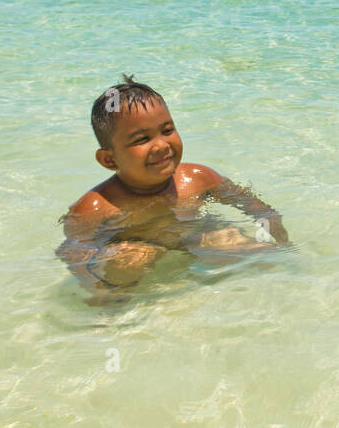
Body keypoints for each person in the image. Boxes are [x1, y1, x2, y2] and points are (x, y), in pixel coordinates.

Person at [58, 75, 288, 297]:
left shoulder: (198, 178)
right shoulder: (96, 206)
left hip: (194, 235)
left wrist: (273, 225)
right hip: (139, 246)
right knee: (126, 264)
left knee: (268, 257)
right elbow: (74, 251)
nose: (161, 145)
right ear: (109, 159)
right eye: (141, 139)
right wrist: (95, 287)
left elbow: (248, 202)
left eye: (167, 130)